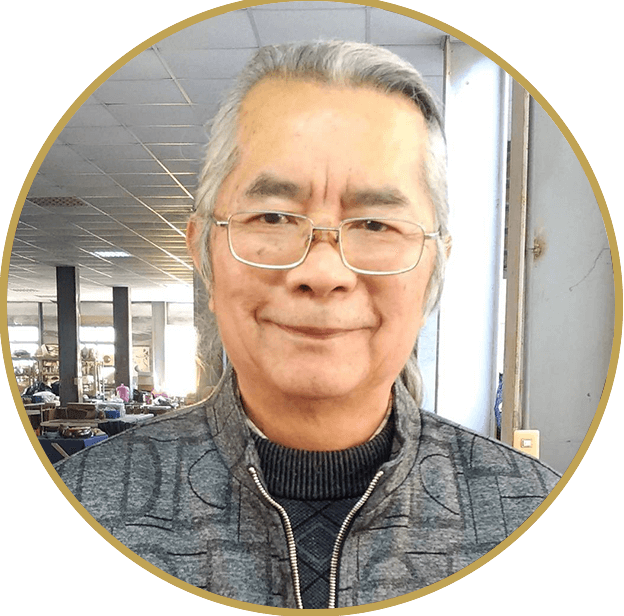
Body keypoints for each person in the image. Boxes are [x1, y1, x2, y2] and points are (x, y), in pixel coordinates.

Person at [55, 40, 561, 609]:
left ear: (434, 269)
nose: (322, 272)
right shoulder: (90, 502)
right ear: (204, 255)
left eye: (375, 224)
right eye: (273, 216)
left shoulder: (526, 507)